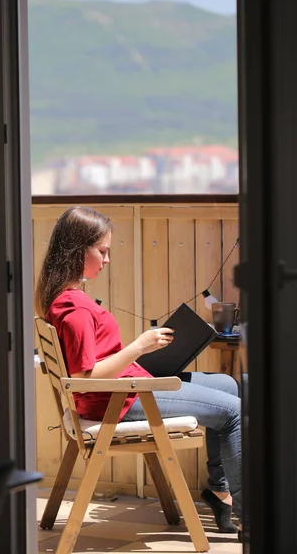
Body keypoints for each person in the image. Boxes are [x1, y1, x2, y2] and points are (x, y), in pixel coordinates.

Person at [35, 206, 242, 536]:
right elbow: (84, 379)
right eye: (102, 251)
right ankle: (247, 512)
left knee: (227, 384)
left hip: (125, 390)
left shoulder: (66, 298)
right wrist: (140, 346)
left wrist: (144, 353)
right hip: (120, 402)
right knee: (233, 411)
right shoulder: (74, 308)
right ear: (78, 250)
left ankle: (219, 492)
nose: (106, 260)